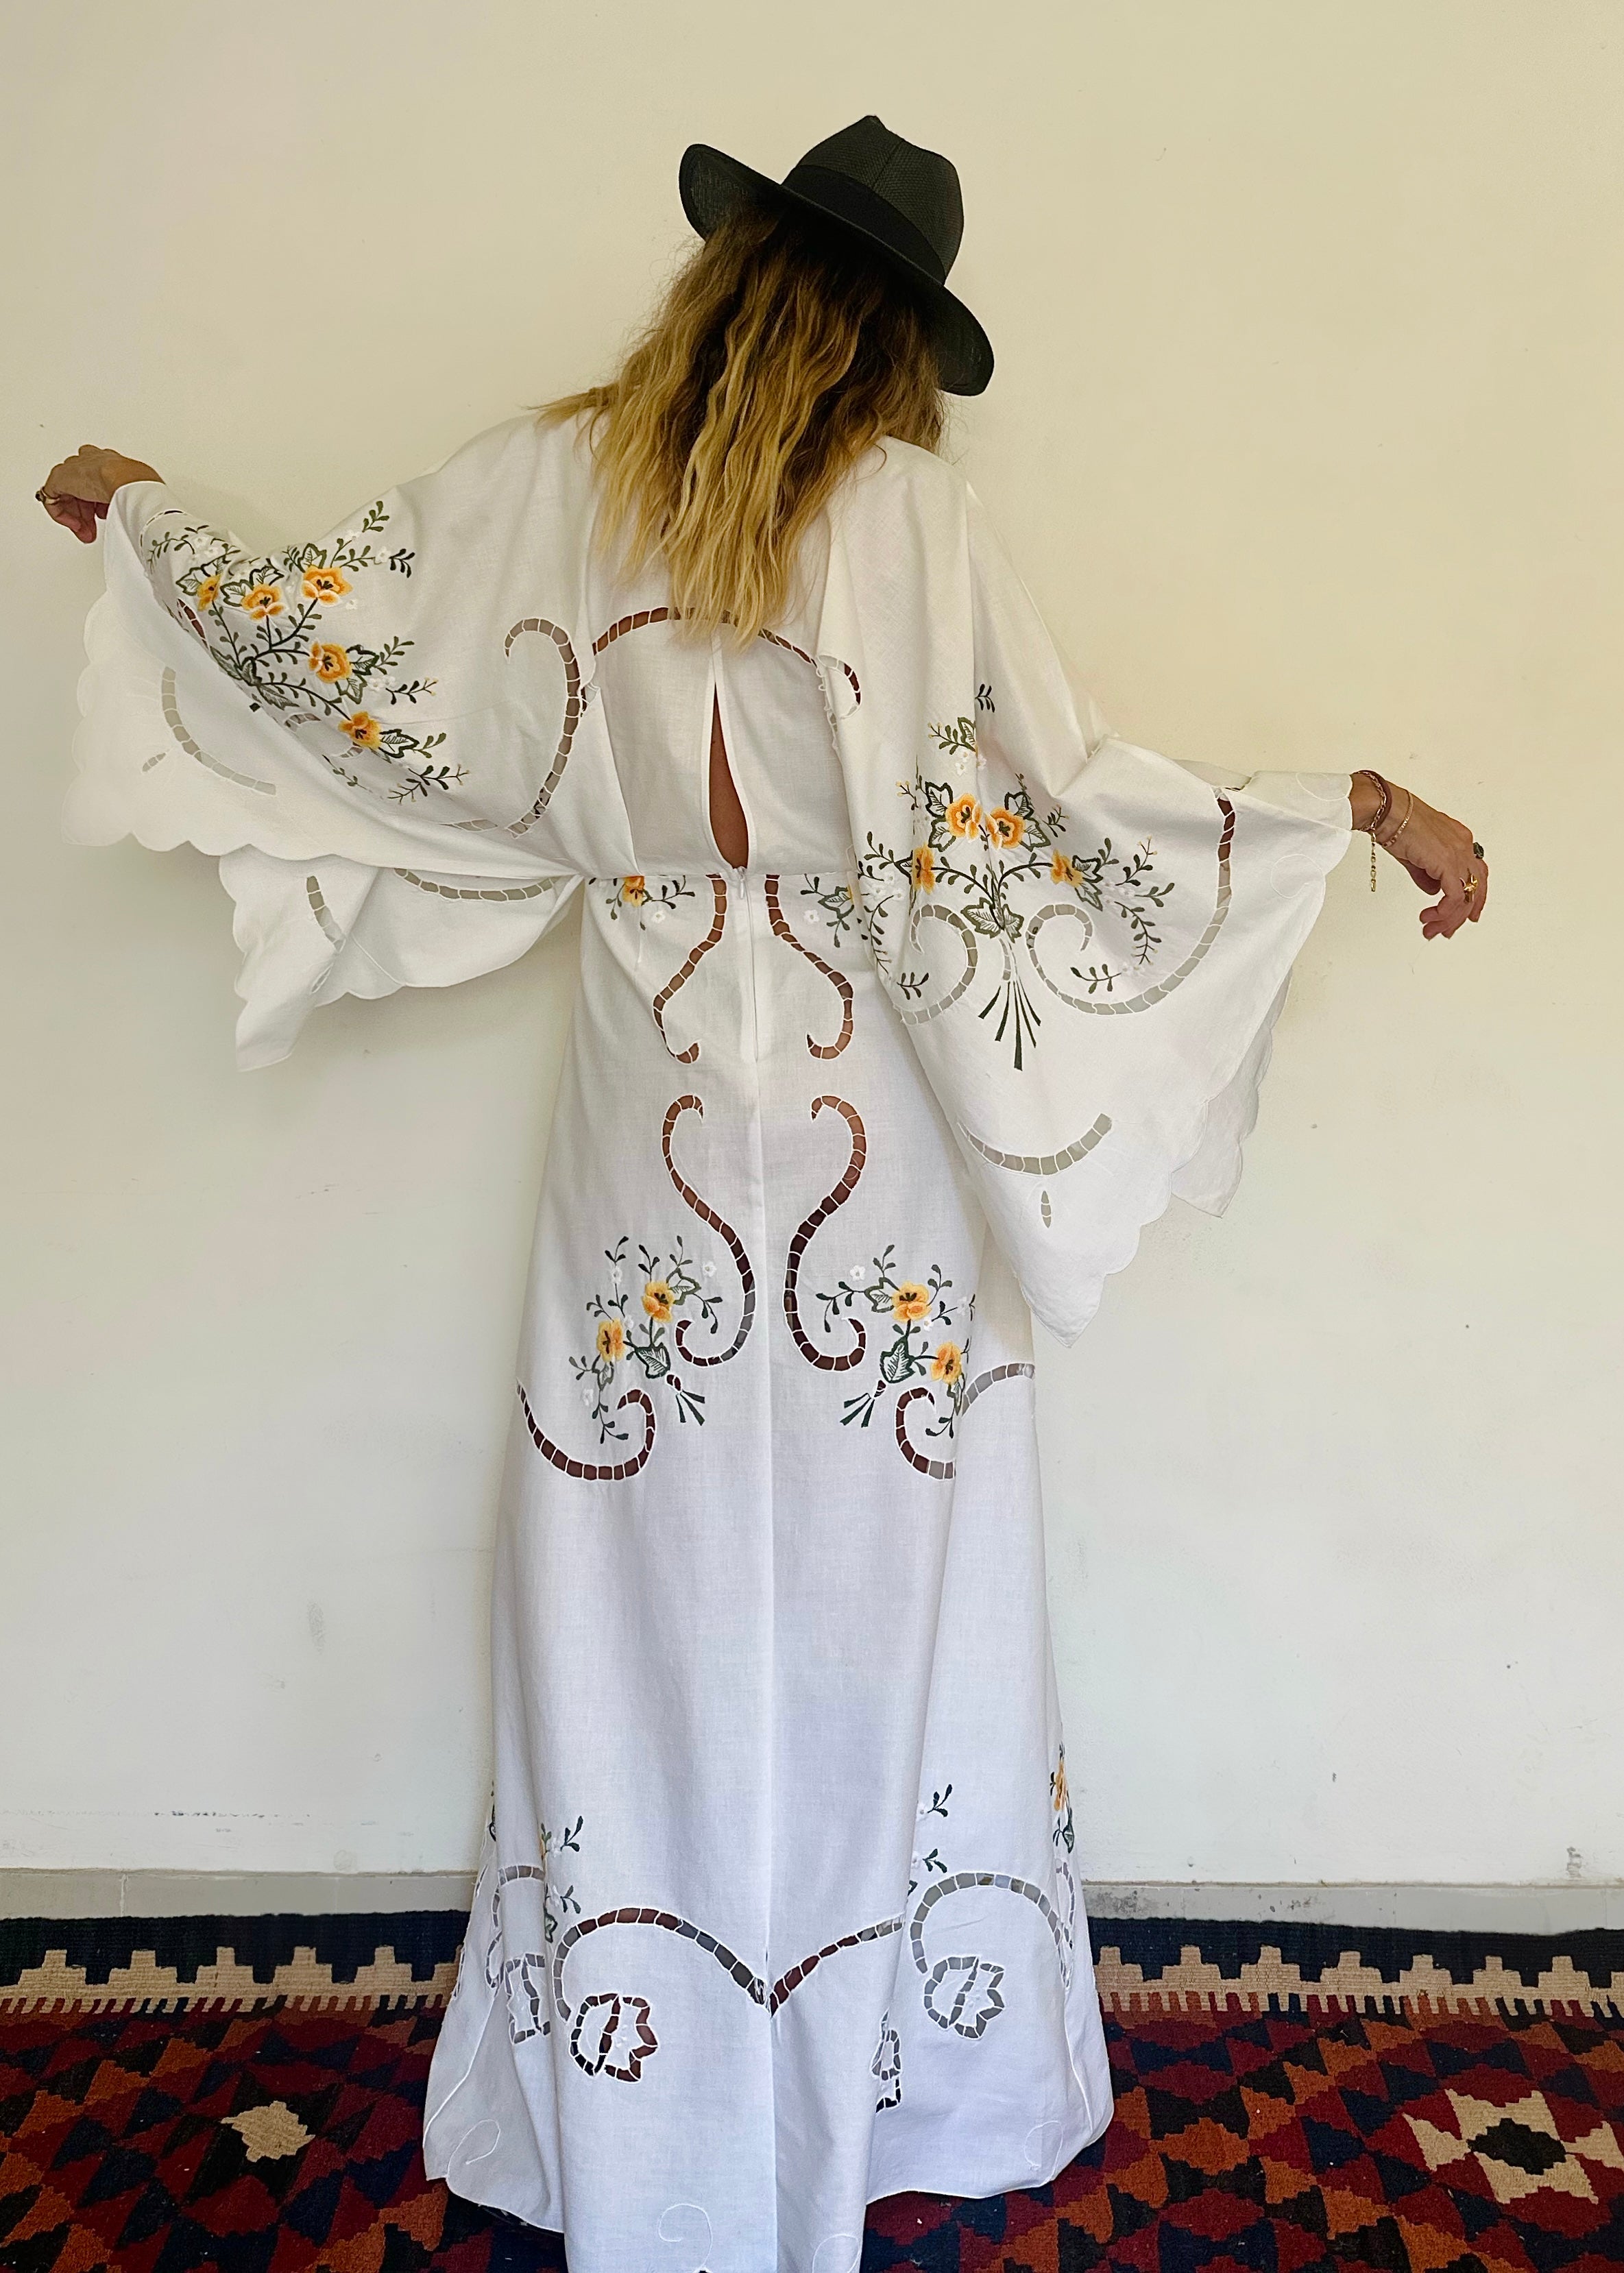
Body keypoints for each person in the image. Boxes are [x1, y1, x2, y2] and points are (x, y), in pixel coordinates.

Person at [40, 114, 1486, 2273]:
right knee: (888, 1578)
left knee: (627, 1563)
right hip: (872, 1129)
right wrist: (1344, 803)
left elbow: (342, 644)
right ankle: (899, 2062)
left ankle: (638, 2064)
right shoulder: (910, 518)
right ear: (894, 341)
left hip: (644, 1114)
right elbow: (1072, 811)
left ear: (728, 278)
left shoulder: (555, 479)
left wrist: (159, 521)